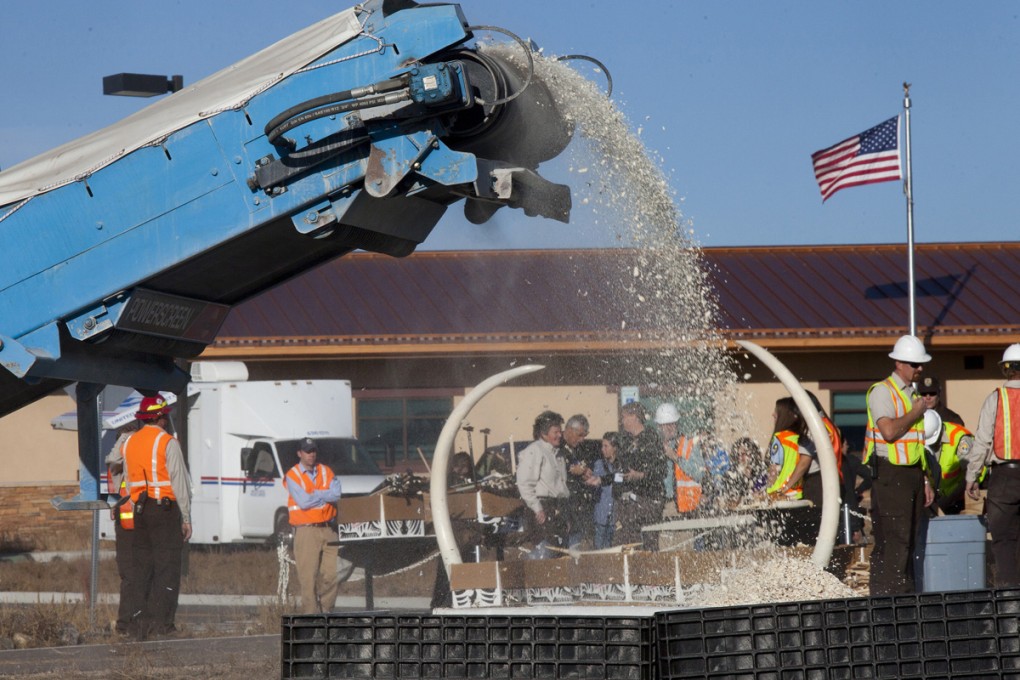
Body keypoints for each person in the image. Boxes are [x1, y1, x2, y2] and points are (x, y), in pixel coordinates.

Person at [864, 335, 934, 595]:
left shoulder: (911, 394)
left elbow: (916, 442)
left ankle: (898, 595)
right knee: (896, 540)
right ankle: (893, 600)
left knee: (907, 539)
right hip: (891, 474)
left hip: (911, 473)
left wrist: (924, 477)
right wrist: (917, 412)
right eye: (915, 364)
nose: (920, 369)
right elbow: (889, 432)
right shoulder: (883, 391)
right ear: (899, 363)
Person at [121, 394, 192, 639]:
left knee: (142, 569)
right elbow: (179, 482)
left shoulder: (129, 443)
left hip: (140, 511)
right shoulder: (167, 442)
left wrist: (137, 504)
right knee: (167, 569)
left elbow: (130, 482)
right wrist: (186, 517)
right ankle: (163, 625)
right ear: (160, 417)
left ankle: (138, 626)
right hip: (164, 511)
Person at [963, 343, 1020, 586]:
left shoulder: (996, 399)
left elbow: (983, 441)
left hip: (1004, 478)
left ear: (1006, 370)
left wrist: (971, 476)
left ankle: (1010, 600)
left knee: (1004, 540)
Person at [285, 437, 343, 614]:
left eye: (313, 451)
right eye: (307, 451)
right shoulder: (292, 475)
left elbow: (337, 494)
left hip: (329, 529)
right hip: (306, 531)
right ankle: (311, 620)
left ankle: (326, 613)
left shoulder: (326, 471)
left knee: (332, 575)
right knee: (308, 579)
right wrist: (324, 495)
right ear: (299, 453)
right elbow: (303, 502)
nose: (311, 455)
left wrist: (315, 494)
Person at [765, 397, 821, 545]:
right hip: (797, 493)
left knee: (778, 542)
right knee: (798, 541)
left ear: (784, 415)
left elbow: (774, 470)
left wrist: (764, 490)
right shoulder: (800, 438)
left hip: (778, 494)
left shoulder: (779, 438)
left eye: (776, 411)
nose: (772, 414)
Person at [515, 410, 570, 559]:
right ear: (544, 433)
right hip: (543, 510)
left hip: (558, 509)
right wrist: (537, 508)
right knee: (545, 554)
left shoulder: (557, 453)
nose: (560, 435)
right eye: (555, 432)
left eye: (560, 431)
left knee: (560, 553)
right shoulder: (535, 451)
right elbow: (524, 483)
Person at [104, 421, 141, 636]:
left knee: (136, 575)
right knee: (130, 575)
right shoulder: (123, 455)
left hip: (136, 521)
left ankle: (131, 622)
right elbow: (113, 459)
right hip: (129, 522)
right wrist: (126, 438)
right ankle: (127, 623)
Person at [616, 402, 666, 546]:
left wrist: (641, 475)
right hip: (629, 502)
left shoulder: (650, 439)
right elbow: (621, 470)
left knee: (648, 541)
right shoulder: (625, 441)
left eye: (624, 417)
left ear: (635, 417)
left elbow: (661, 470)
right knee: (630, 543)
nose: (622, 421)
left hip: (649, 499)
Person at [654, 402, 705, 516]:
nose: (670, 428)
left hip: (688, 508)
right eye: (666, 424)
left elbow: (699, 474)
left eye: (673, 424)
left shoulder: (689, 444)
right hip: (664, 507)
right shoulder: (655, 447)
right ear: (659, 426)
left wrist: (675, 457)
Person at [561, 414, 599, 549]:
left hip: (577, 509)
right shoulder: (556, 445)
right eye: (580, 435)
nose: (582, 440)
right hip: (563, 509)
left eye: (585, 436)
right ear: (569, 430)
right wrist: (570, 470)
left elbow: (580, 467)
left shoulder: (577, 448)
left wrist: (584, 472)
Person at [588, 432, 624, 549]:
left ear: (615, 448)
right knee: (599, 545)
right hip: (601, 512)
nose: (603, 449)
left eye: (606, 446)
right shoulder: (599, 464)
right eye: (602, 446)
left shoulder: (620, 465)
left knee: (612, 545)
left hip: (615, 513)